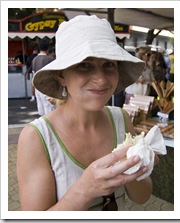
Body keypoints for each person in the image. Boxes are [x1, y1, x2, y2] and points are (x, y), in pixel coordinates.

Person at [17, 15, 158, 211]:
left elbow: (142, 197)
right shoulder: (37, 137)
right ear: (62, 75)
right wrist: (85, 189)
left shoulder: (120, 118)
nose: (101, 80)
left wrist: (137, 168)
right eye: (84, 65)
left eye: (109, 64)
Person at [32, 38, 56, 115]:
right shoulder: (50, 59)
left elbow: (33, 75)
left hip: (37, 88)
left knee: (42, 113)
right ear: (48, 48)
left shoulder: (34, 60)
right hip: (47, 89)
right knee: (50, 113)